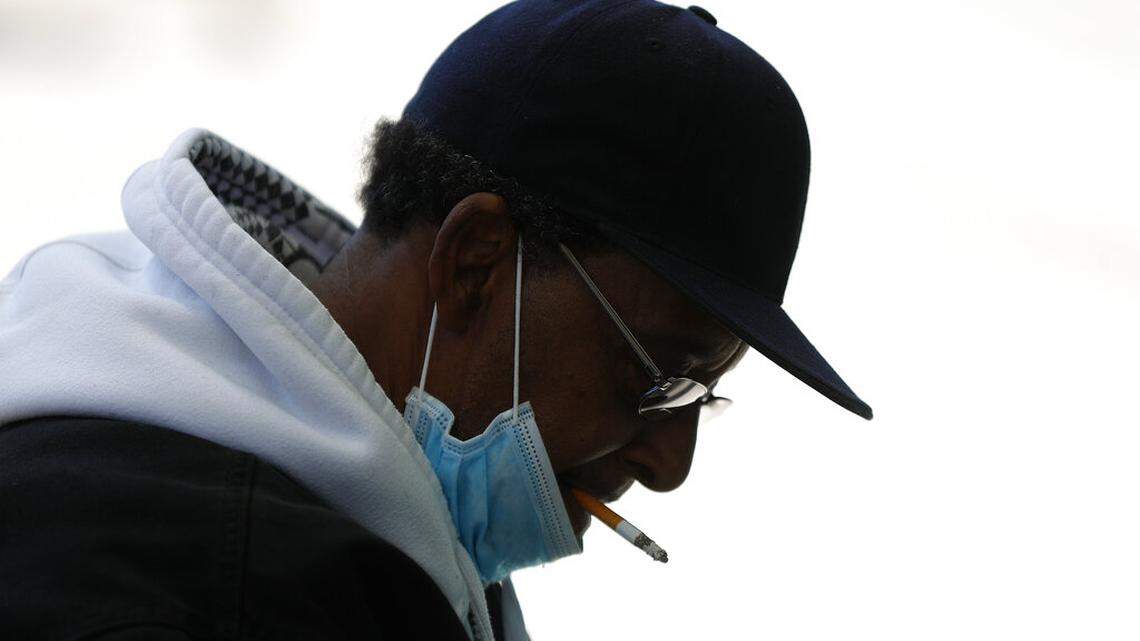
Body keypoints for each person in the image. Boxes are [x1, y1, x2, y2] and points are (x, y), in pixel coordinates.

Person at [0, 1, 872, 639]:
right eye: (657, 377)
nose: (669, 462)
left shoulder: (347, 531)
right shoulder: (201, 588)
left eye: (703, 398)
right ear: (476, 262)